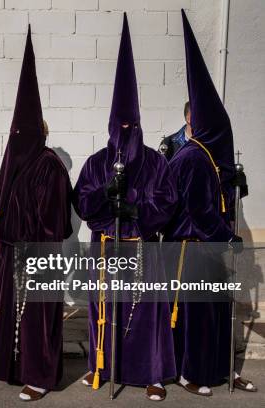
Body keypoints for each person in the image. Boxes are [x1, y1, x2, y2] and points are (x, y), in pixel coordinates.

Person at [73, 14, 177, 401]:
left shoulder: (154, 162)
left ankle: (151, 374)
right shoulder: (98, 161)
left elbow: (167, 199)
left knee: (146, 315)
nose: (125, 135)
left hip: (142, 249)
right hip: (105, 248)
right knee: (106, 312)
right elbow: (82, 199)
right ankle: (100, 365)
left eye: (131, 127)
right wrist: (106, 197)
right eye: (120, 127)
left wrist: (134, 209)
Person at [163, 10, 256, 396]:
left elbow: (217, 201)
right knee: (196, 316)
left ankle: (220, 369)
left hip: (209, 249)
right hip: (196, 249)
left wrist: (234, 182)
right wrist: (226, 237)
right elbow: (201, 213)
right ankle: (191, 373)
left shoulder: (207, 158)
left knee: (216, 312)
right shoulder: (192, 158)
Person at [0, 26, 73, 402]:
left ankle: (39, 377)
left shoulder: (49, 166)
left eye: (23, 132)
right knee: (11, 317)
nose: (15, 139)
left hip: (37, 257)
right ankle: (13, 368)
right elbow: (0, 205)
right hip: (10, 255)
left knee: (36, 322)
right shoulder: (9, 166)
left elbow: (53, 222)